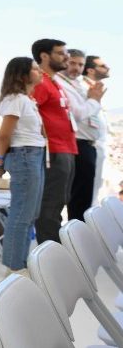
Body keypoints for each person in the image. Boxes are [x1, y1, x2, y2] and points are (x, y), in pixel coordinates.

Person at [0, 58, 46, 273]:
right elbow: (4, 134)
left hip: (33, 154)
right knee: (21, 213)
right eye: (34, 68)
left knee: (29, 213)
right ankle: (13, 268)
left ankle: (19, 264)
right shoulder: (16, 99)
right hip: (24, 155)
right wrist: (0, 161)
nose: (40, 71)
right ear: (23, 74)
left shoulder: (25, 100)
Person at [31, 38, 77, 244]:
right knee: (50, 206)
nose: (66, 57)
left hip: (66, 149)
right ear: (44, 56)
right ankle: (49, 258)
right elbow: (30, 113)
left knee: (59, 203)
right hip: (54, 151)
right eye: (60, 53)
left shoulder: (54, 82)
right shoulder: (40, 81)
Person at [55, 49, 106, 221]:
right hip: (78, 143)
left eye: (80, 64)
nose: (76, 68)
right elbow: (78, 113)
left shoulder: (77, 85)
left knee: (85, 195)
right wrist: (93, 100)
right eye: (73, 63)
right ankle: (76, 238)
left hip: (88, 143)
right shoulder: (64, 84)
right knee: (78, 196)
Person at [84, 55, 111, 204]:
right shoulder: (84, 89)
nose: (107, 68)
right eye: (102, 65)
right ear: (90, 70)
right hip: (89, 145)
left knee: (95, 191)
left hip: (98, 146)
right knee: (86, 194)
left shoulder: (97, 89)